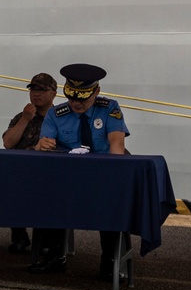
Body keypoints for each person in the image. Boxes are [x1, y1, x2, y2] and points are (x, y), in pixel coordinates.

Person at [31, 64, 129, 277]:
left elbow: (117, 148)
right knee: (47, 195)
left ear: (96, 92)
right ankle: (55, 256)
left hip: (103, 175)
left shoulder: (110, 109)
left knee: (113, 202)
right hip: (68, 177)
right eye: (72, 97)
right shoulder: (56, 114)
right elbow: (42, 146)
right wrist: (42, 146)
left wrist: (113, 179)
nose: (75, 103)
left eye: (82, 98)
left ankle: (111, 260)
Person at [1, 72, 58, 254]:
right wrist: (25, 120)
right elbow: (8, 143)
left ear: (54, 93)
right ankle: (19, 236)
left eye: (42, 90)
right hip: (20, 171)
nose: (36, 94)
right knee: (9, 186)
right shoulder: (22, 116)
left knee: (47, 193)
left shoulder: (60, 117)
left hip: (48, 172)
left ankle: (47, 240)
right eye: (33, 89)